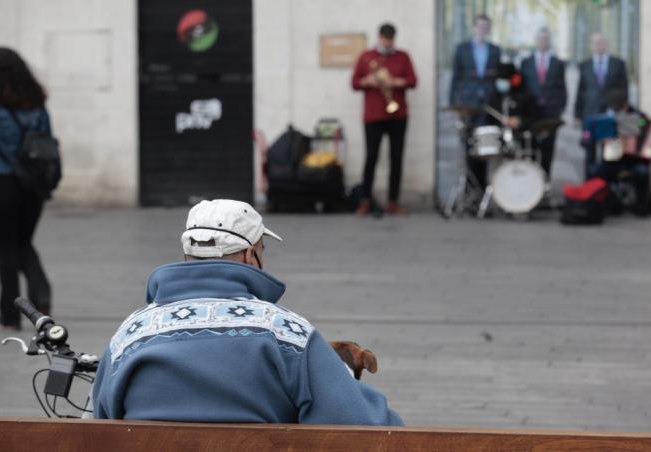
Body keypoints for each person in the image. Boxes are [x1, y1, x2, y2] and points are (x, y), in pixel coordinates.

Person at [92, 199, 403, 425]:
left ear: (187, 253)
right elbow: (360, 425)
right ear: (249, 254)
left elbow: (100, 419)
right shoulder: (286, 333)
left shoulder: (130, 335)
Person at [0, 48, 52, 330]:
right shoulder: (37, 103)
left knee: (6, 248)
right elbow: (48, 142)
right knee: (24, 243)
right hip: (33, 185)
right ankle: (41, 295)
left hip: (3, 183)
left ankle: (9, 314)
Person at [351, 23, 417, 216]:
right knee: (371, 157)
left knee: (396, 158)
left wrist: (395, 81)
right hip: (373, 116)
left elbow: (413, 81)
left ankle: (393, 201)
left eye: (390, 40)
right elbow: (354, 83)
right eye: (384, 39)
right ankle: (365, 200)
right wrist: (367, 81)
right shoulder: (366, 56)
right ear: (379, 37)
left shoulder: (403, 56)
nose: (386, 42)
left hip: (398, 115)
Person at [448, 14, 501, 189]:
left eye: (485, 27)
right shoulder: (462, 49)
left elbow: (498, 78)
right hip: (467, 104)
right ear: (474, 28)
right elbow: (456, 78)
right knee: (469, 147)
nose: (482, 30)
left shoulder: (494, 50)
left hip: (487, 104)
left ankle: (483, 188)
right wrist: (453, 105)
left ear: (489, 29)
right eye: (479, 26)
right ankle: (470, 190)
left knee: (485, 146)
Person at [586, 90, 651, 217]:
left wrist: (648, 138)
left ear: (626, 104)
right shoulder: (605, 118)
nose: (617, 111)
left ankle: (641, 207)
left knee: (643, 172)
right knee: (595, 172)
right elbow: (589, 137)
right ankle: (611, 204)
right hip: (612, 161)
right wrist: (603, 139)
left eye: (620, 107)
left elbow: (648, 127)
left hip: (633, 161)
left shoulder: (639, 117)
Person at [575, 33, 629, 173]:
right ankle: (589, 186)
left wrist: (621, 110)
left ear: (606, 44)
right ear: (591, 46)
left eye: (601, 42)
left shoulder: (618, 64)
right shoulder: (584, 65)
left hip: (611, 114)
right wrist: (578, 114)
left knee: (610, 152)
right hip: (590, 113)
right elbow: (581, 91)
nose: (598, 45)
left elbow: (624, 89)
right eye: (595, 42)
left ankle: (607, 187)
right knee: (589, 152)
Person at [520, 27, 567, 176]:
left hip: (550, 115)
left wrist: (559, 110)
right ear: (536, 41)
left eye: (546, 39)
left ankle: (545, 183)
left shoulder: (558, 63)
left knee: (548, 150)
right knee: (531, 150)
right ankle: (532, 184)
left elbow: (562, 89)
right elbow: (521, 89)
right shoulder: (525, 63)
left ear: (549, 42)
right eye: (540, 38)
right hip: (531, 115)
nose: (543, 41)